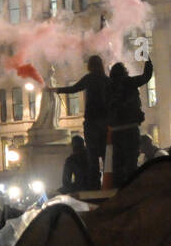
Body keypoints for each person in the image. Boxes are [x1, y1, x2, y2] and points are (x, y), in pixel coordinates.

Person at [51, 55, 108, 190]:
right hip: (104, 121)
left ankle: (95, 184)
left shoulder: (89, 78)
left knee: (93, 154)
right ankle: (107, 182)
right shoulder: (106, 80)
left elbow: (74, 88)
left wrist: (57, 90)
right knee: (106, 153)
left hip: (91, 120)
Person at [106, 59, 153, 188]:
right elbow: (146, 76)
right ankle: (132, 189)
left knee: (118, 164)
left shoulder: (108, 87)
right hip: (131, 129)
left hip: (116, 131)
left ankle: (119, 191)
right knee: (131, 162)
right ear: (124, 72)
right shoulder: (130, 82)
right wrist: (147, 60)